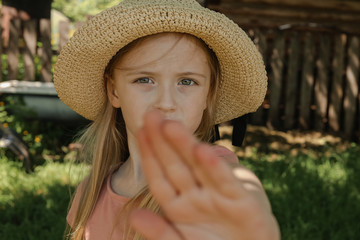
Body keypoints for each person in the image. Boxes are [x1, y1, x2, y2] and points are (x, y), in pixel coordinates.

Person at [54, 0, 280, 239]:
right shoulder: (89, 194)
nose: (166, 102)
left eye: (187, 81)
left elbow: (238, 183)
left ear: (207, 96)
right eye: (144, 79)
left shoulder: (208, 178)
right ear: (114, 91)